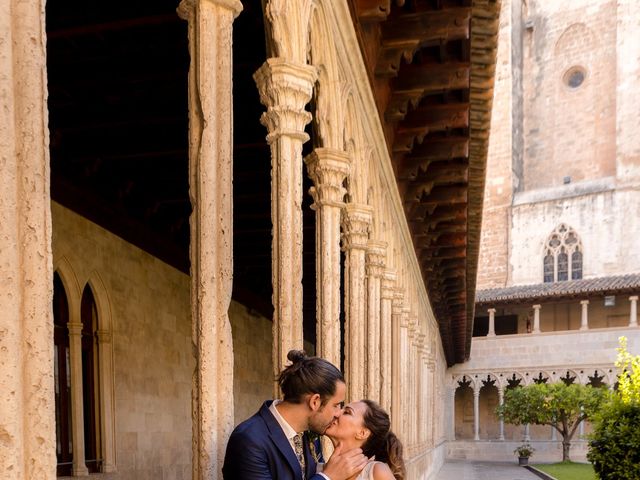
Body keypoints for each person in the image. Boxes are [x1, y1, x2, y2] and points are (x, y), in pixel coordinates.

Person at [223, 350, 369, 479]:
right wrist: (328, 477)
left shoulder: (309, 432)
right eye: (336, 405)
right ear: (315, 402)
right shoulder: (249, 440)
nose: (338, 414)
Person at [324, 399, 405, 480]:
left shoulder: (376, 472)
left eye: (347, 412)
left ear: (362, 433)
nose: (337, 413)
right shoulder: (320, 471)